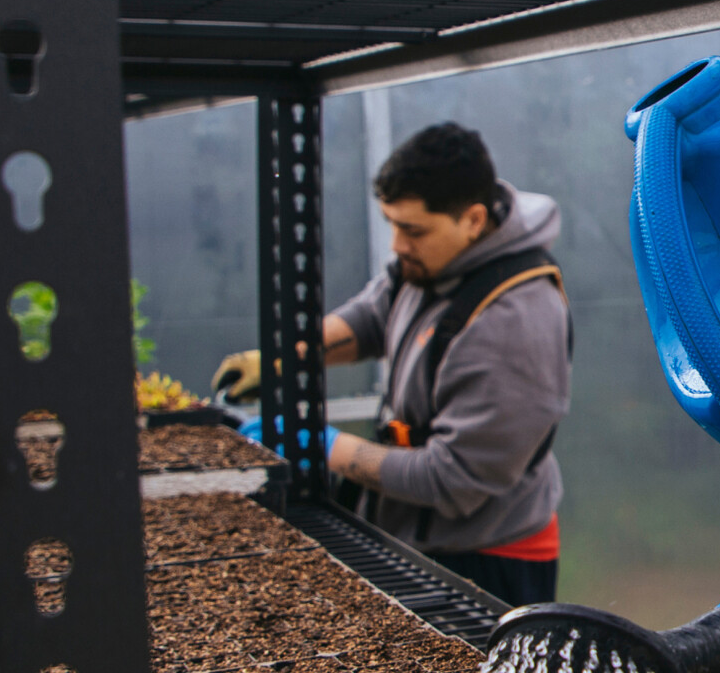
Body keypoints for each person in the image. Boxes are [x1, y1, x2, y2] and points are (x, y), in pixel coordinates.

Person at [216, 122, 571, 606]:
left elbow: (451, 478)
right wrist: (284, 359)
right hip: (416, 535)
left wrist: (322, 445)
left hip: (486, 559)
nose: (397, 245)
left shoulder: (514, 324)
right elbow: (373, 315)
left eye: (412, 230)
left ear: (472, 219)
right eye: (392, 225)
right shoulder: (435, 259)